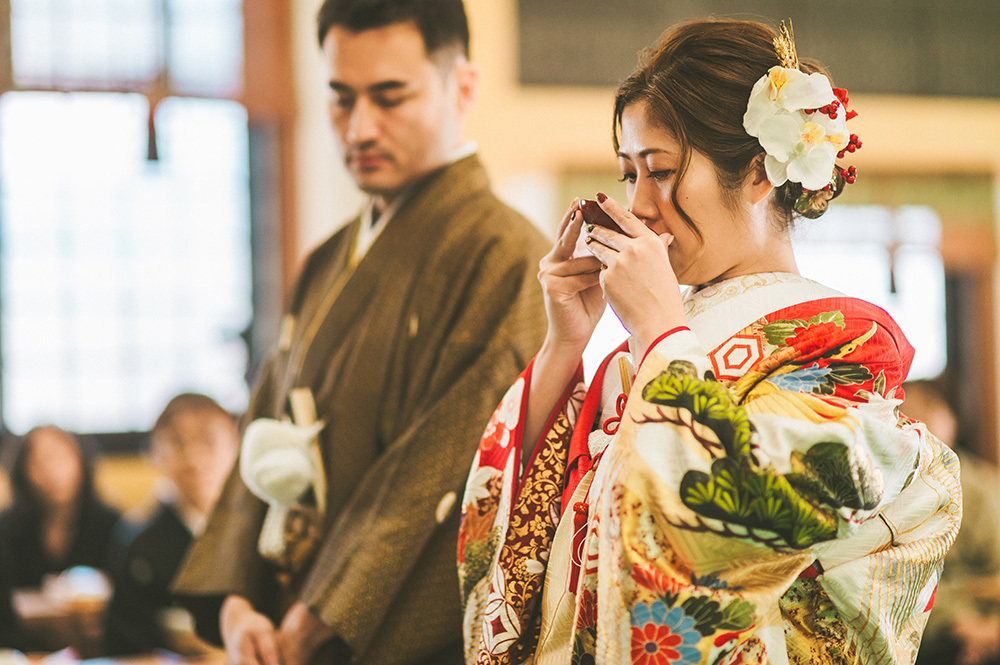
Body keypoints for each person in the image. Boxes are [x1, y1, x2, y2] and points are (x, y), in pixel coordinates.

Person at [458, 18, 962, 664]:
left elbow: (732, 529)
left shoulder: (844, 344)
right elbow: (542, 539)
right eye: (628, 174)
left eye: (661, 171)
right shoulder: (647, 346)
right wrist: (565, 345)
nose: (639, 206)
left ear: (758, 175)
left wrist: (662, 334)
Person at [171, 1, 549, 664]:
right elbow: (266, 419)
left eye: (390, 97)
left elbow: (446, 462)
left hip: (380, 637)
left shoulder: (505, 254)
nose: (360, 127)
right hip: (290, 625)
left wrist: (323, 612)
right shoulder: (327, 258)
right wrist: (236, 601)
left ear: (462, 87)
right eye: (341, 100)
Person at [103, 393, 240, 656]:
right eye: (178, 443)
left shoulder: (262, 528)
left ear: (236, 443)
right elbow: (124, 642)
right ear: (154, 451)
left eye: (208, 441)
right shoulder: (136, 538)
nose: (194, 458)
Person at [904, 379, 1000, 665]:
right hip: (932, 633)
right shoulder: (887, 500)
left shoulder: (982, 490)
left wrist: (989, 631)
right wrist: (958, 623)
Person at [0, 426, 120, 650]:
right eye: (40, 462)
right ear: (22, 471)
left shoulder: (111, 523)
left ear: (81, 460)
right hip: (27, 647)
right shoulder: (7, 529)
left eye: (60, 458)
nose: (52, 471)